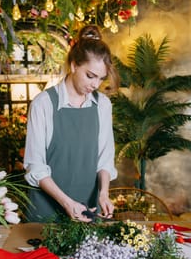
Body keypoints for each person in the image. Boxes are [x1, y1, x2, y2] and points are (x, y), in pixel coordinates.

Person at [23, 24, 119, 223]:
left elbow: (105, 158)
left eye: (101, 79)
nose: (95, 85)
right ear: (74, 65)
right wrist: (67, 203)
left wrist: (103, 193)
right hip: (46, 212)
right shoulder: (44, 104)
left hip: (87, 209)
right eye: (90, 76)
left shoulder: (102, 105)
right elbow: (36, 166)